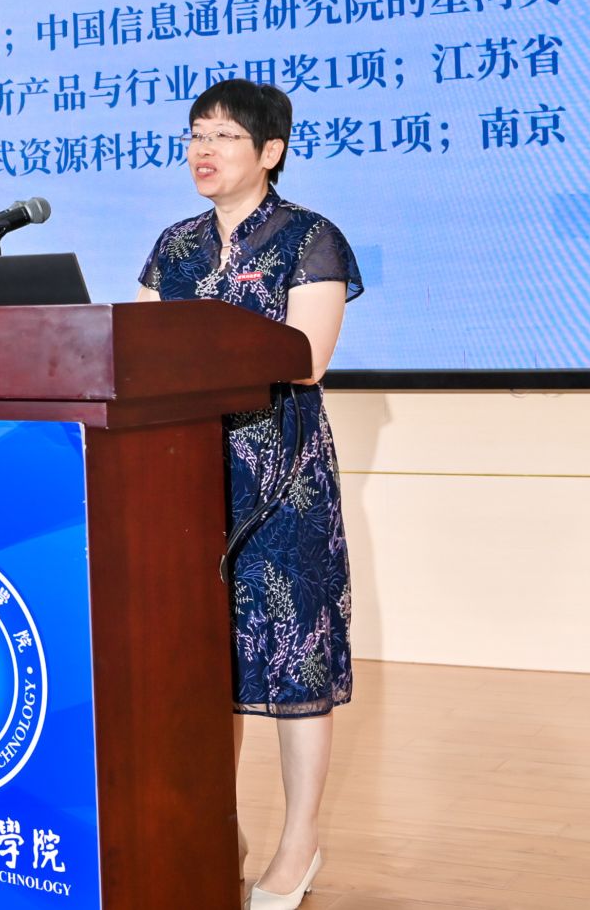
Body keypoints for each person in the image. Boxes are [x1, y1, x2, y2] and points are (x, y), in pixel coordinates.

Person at [135, 78, 362, 910]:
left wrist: (201, 341)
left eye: (224, 136)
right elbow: (139, 354)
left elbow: (305, 358)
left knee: (297, 656)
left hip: (282, 478)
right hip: (184, 473)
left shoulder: (311, 238)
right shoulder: (175, 246)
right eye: (195, 134)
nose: (203, 150)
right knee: (202, 661)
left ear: (270, 151)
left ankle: (299, 842)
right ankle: (216, 825)